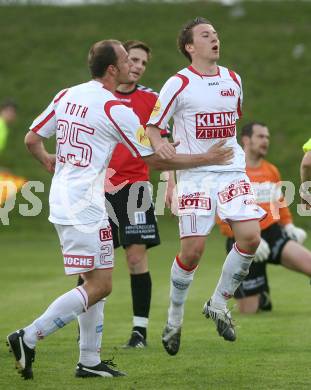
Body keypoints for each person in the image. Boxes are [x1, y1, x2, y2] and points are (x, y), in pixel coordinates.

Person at [7, 39, 234, 380]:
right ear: (112, 68)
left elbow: (31, 139)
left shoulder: (67, 94)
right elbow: (156, 160)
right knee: (101, 286)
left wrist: (48, 161)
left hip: (66, 197)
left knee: (92, 279)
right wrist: (207, 158)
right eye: (127, 59)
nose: (133, 64)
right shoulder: (116, 109)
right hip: (85, 205)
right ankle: (28, 336)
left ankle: (89, 360)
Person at [146, 17, 266, 356]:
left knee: (250, 237)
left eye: (215, 34)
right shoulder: (178, 83)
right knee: (193, 251)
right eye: (205, 35)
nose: (214, 39)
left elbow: (230, 124)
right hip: (196, 175)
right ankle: (174, 318)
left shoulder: (232, 79)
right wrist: (163, 152)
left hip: (230, 171)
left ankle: (217, 302)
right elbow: (154, 127)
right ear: (189, 47)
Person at [83, 40, 172, 349]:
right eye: (133, 59)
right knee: (92, 260)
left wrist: (171, 182)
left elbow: (164, 147)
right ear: (118, 63)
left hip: (135, 188)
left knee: (136, 257)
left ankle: (139, 332)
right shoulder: (98, 98)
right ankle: (86, 334)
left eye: (143, 63)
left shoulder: (152, 99)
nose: (137, 66)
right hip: (99, 188)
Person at [218, 122, 311, 313]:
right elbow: (222, 215)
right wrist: (241, 237)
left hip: (272, 233)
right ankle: (261, 296)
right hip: (243, 240)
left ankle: (262, 292)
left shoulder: (271, 170)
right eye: (260, 137)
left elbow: (280, 203)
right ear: (246, 140)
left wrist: (289, 226)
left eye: (267, 137)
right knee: (249, 311)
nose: (265, 141)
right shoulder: (231, 171)